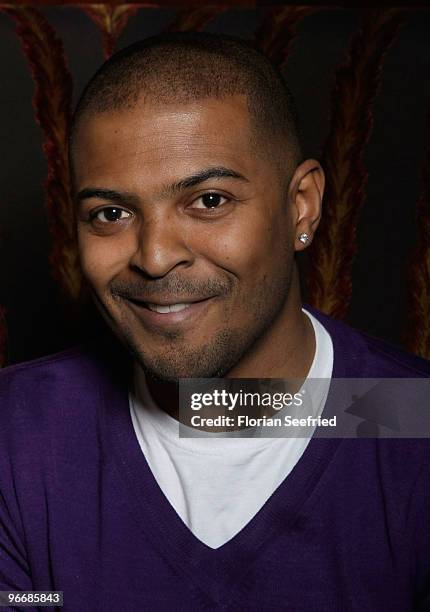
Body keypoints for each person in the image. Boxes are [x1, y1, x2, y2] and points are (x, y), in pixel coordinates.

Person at [0, 32, 429, 611]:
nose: (154, 257)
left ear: (300, 204)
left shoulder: (410, 423)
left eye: (208, 201)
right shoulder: (19, 432)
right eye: (111, 213)